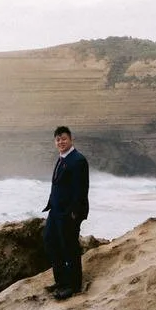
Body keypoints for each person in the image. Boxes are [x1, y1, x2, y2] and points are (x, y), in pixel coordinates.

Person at [44, 125, 91, 299]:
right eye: (58, 139)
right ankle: (61, 281)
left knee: (69, 247)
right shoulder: (62, 158)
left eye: (64, 139)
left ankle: (74, 285)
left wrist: (74, 213)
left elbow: (81, 190)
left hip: (69, 213)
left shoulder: (78, 160)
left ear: (71, 139)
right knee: (50, 242)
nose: (60, 142)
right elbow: (57, 184)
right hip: (55, 211)